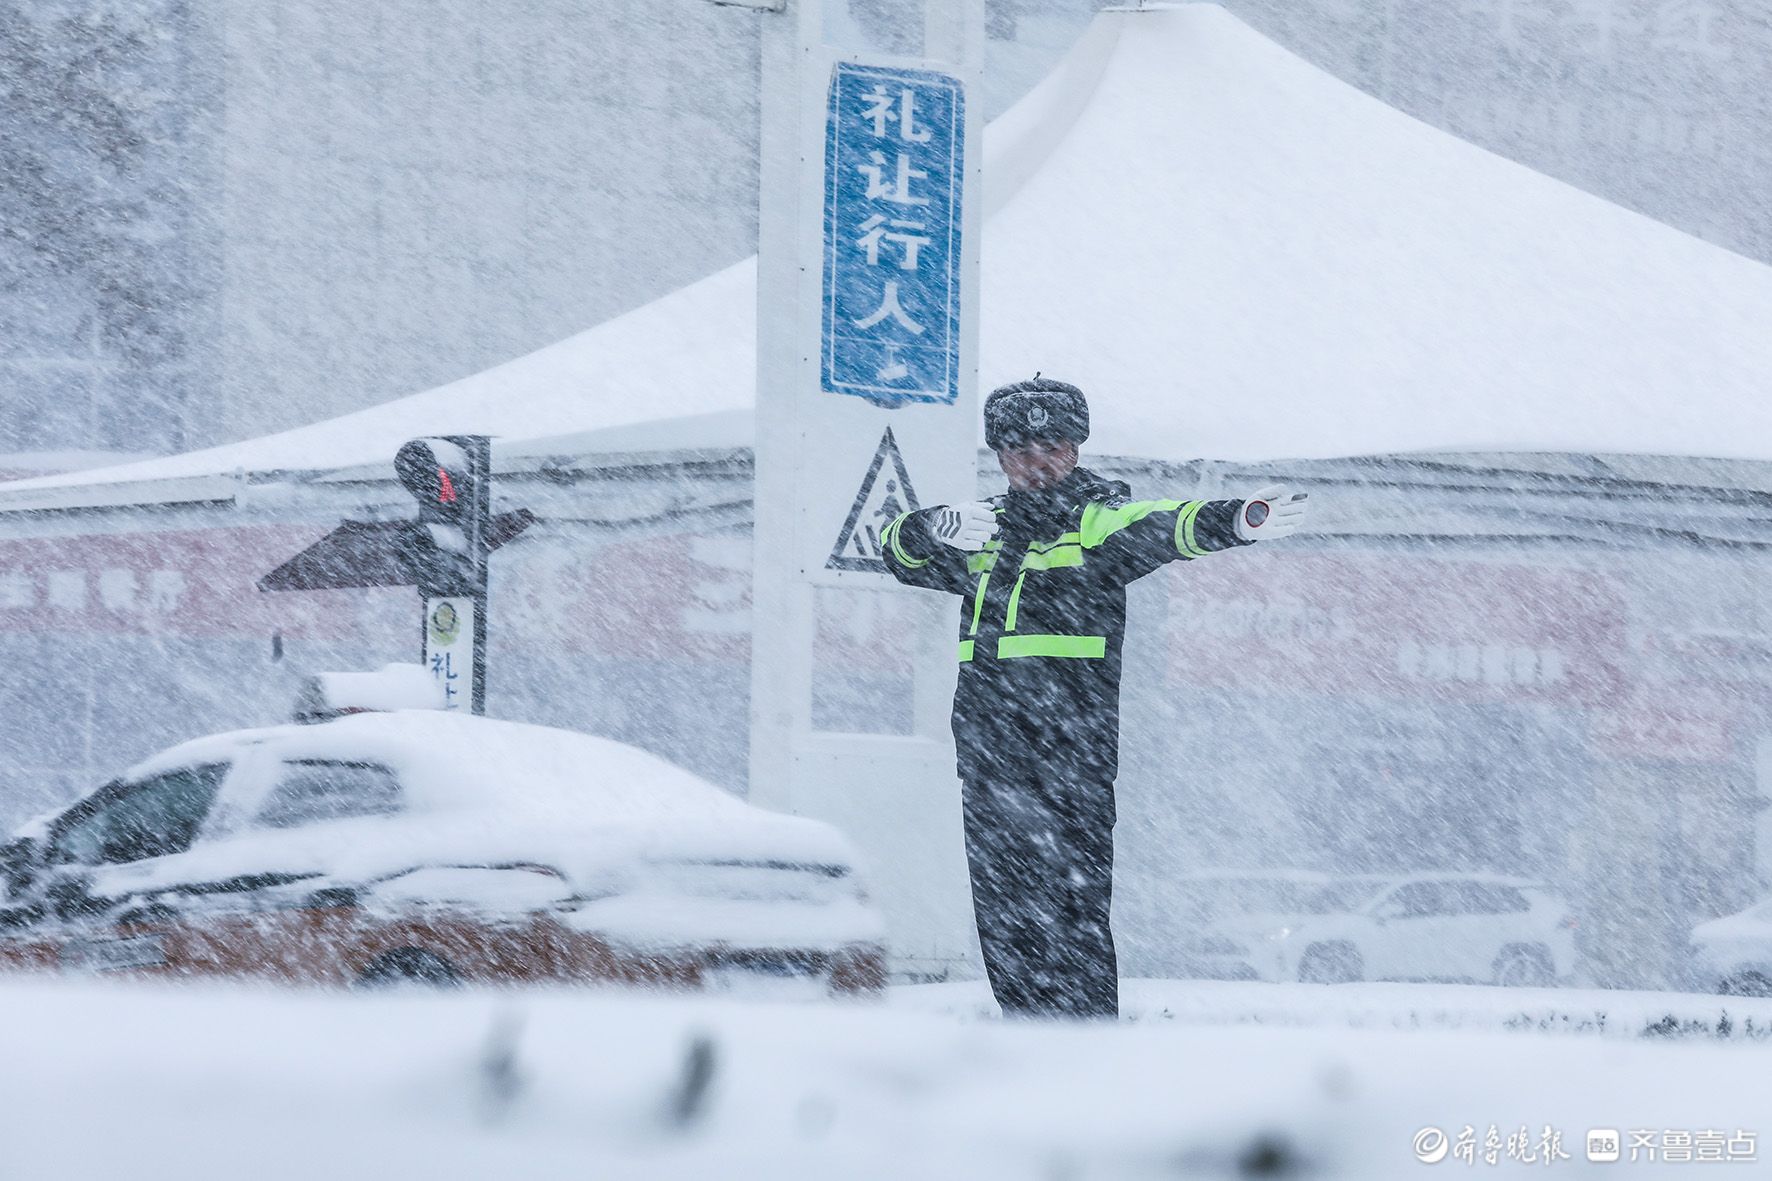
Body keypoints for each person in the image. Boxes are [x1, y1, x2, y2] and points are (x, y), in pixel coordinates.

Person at [881, 376, 1309, 1018]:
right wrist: (930, 527)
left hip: (1071, 753)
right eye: (1020, 451)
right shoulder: (982, 535)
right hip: (991, 760)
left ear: (1076, 451)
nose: (1037, 463)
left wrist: (1239, 520)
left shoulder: (1096, 529)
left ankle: (1084, 1043)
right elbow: (896, 555)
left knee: (1072, 904)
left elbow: (1167, 526)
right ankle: (1023, 1033)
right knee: (1003, 910)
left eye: (1052, 447)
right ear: (1000, 458)